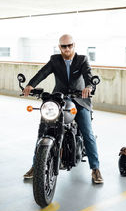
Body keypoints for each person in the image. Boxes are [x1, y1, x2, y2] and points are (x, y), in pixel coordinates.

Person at [22, 34, 103, 184]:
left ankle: (95, 169)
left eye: (70, 45)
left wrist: (88, 87)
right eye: (64, 46)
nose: (67, 49)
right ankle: (36, 165)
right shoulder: (55, 60)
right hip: (59, 99)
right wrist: (30, 85)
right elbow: (43, 73)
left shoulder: (82, 60)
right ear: (59, 47)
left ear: (74, 45)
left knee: (88, 132)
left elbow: (88, 75)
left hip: (80, 100)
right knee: (44, 130)